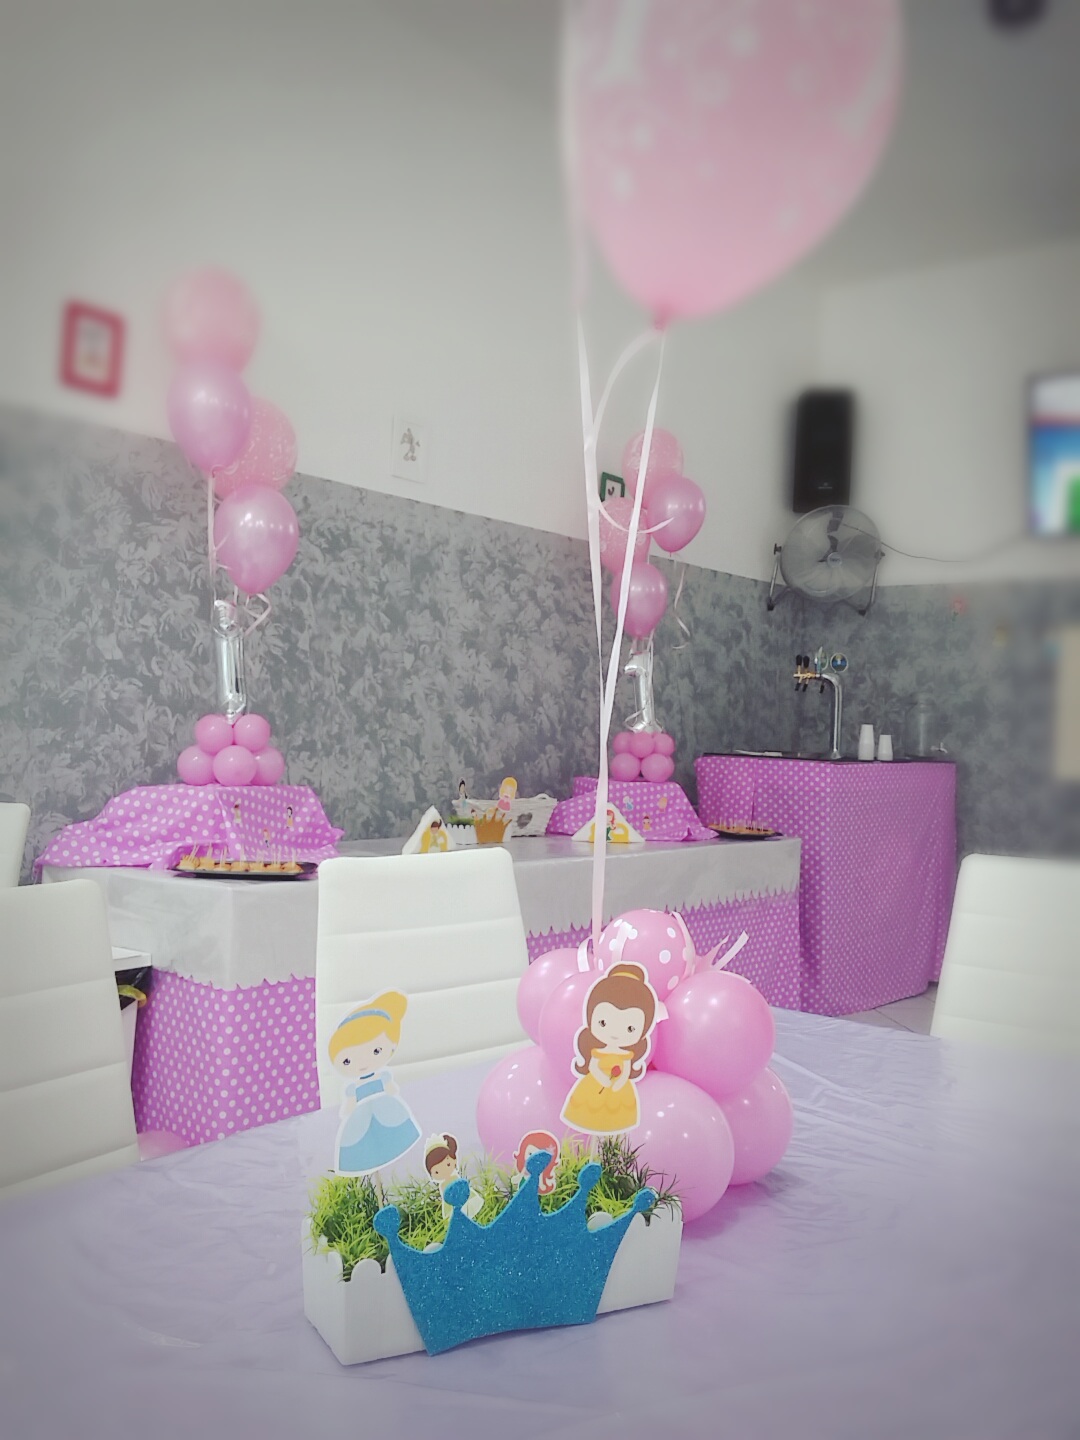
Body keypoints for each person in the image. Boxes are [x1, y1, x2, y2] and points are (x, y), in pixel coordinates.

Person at [560, 964, 658, 1136]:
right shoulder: (597, 1051)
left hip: (618, 1090)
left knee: (617, 1124)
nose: (615, 1033)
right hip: (595, 1085)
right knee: (590, 1115)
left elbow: (626, 1069)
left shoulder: (627, 1055)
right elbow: (594, 1066)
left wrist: (620, 1082)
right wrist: (601, 1078)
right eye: (603, 1023)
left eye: (630, 1029)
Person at [330, 991, 420, 1174]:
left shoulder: (383, 1076)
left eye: (376, 1051)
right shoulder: (352, 1088)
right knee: (365, 1150)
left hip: (388, 1112)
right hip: (361, 1121)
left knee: (392, 1141)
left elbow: (392, 1090)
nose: (363, 1062)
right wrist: (349, 1111)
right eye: (347, 1060)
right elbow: (348, 1107)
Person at [424, 1133, 483, 1220]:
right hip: (451, 1205)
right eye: (437, 1172)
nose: (444, 1171)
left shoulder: (455, 1178)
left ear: (454, 1160)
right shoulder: (442, 1185)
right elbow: (446, 1198)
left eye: (448, 1164)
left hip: (464, 1198)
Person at [512, 1130, 560, 1195]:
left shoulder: (540, 1174)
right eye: (530, 1154)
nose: (534, 1158)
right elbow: (518, 1177)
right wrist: (517, 1179)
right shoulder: (525, 1169)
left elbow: (541, 1185)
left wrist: (543, 1186)